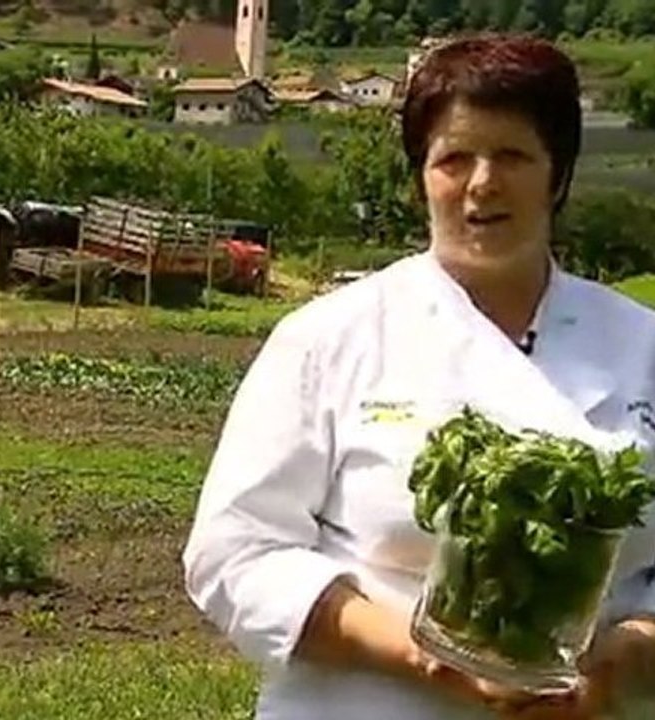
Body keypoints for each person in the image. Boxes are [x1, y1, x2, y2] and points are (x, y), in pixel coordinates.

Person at [182, 33, 655, 720]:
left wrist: (626, 656)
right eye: (454, 158)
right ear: (421, 176)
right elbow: (236, 553)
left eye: (514, 156)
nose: (482, 183)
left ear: (558, 175)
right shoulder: (329, 339)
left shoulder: (641, 344)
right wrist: (426, 655)